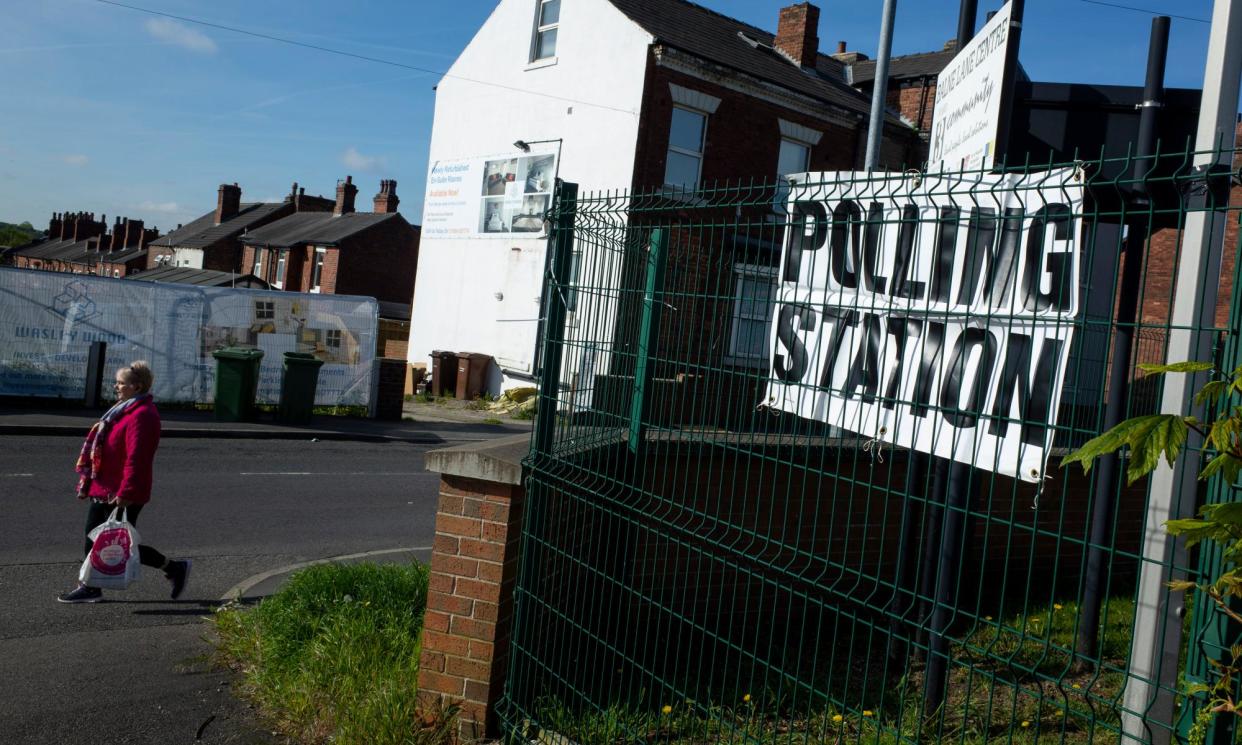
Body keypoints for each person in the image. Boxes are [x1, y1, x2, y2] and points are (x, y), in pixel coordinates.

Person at [58, 361, 191, 603]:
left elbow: (137, 458)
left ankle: (90, 587)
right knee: (112, 541)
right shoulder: (123, 410)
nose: (116, 386)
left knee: (104, 540)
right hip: (107, 486)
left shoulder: (142, 415)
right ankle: (173, 568)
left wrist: (126, 490)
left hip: (121, 490)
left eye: (121, 383)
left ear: (136, 386)